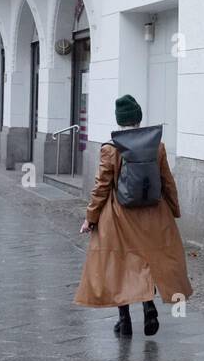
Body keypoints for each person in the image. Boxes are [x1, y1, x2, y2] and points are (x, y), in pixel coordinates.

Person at [74, 94, 192, 337]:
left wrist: (90, 218)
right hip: (152, 214)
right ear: (138, 119)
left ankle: (124, 321)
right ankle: (149, 307)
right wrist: (173, 209)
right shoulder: (156, 145)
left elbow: (102, 187)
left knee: (119, 265)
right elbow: (167, 181)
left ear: (119, 121)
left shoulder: (110, 148)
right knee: (148, 261)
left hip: (118, 216)